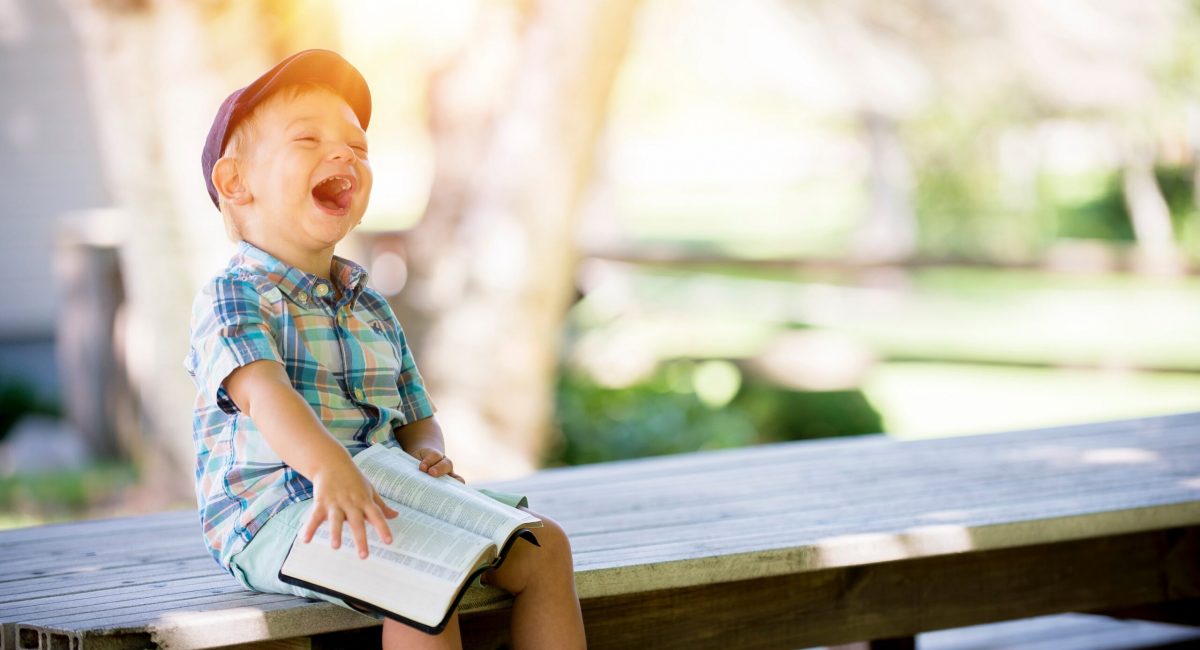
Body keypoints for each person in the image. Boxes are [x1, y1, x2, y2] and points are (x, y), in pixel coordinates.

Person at [184, 49, 586, 650]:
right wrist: (330, 467)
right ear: (235, 182)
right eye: (308, 138)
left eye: (358, 145)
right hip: (276, 513)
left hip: (385, 488)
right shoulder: (234, 295)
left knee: (544, 545)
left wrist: (427, 453)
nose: (344, 152)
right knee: (422, 577)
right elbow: (266, 395)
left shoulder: (367, 301)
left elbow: (416, 415)